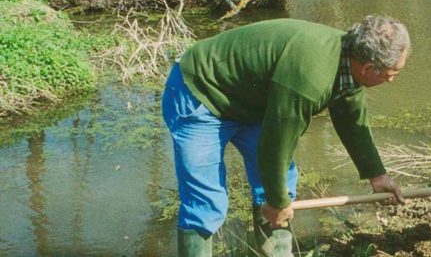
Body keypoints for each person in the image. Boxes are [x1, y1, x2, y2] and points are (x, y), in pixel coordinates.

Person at [162, 15, 410, 257]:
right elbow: (275, 146)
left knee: (280, 184)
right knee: (206, 202)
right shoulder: (310, 80)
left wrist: (377, 175)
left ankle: (277, 252)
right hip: (201, 94)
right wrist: (278, 202)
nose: (391, 79)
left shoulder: (349, 61)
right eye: (393, 72)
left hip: (249, 101)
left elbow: (353, 123)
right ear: (368, 68)